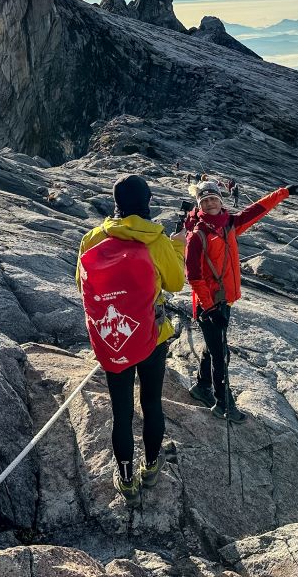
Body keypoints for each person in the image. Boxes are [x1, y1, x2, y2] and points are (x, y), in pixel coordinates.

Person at [76, 174, 186, 504]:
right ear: (148, 202)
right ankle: (151, 468)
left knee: (121, 411)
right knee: (151, 403)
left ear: (116, 202)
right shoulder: (157, 239)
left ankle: (125, 479)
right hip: (153, 337)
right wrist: (176, 247)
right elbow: (176, 283)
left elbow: (83, 287)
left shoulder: (92, 238)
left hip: (114, 337)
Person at [185, 178, 298, 423]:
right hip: (208, 306)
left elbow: (256, 210)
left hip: (224, 301)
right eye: (205, 201)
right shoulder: (198, 236)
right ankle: (224, 404)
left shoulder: (229, 225)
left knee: (212, 347)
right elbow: (194, 277)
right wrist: (209, 308)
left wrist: (283, 193)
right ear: (200, 204)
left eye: (213, 199)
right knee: (221, 354)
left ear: (220, 200)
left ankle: (201, 387)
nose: (210, 204)